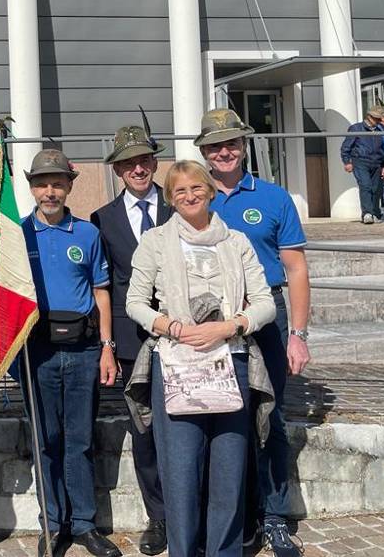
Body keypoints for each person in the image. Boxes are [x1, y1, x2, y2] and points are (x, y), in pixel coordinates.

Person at [124, 160, 276, 557]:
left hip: (231, 361)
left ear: (210, 191)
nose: (189, 196)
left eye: (196, 189)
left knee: (228, 473)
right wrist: (172, 327)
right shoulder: (155, 242)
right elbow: (135, 302)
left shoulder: (237, 242)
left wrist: (229, 327)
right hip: (176, 364)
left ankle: (223, 551)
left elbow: (265, 303)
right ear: (170, 199)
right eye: (179, 191)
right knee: (181, 474)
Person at [195, 108, 310, 557]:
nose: (224, 152)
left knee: (271, 419)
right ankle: (235, 517)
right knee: (220, 420)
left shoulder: (274, 197)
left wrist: (297, 333)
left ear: (243, 147)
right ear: (203, 152)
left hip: (266, 319)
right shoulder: (191, 197)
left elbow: (296, 269)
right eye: (214, 146)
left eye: (231, 144)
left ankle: (275, 516)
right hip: (211, 323)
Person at [15, 148, 121, 557]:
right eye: (42, 183)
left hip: (82, 350)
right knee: (47, 439)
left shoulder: (87, 234)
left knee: (78, 439)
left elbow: (101, 292)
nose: (50, 191)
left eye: (57, 183)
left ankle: (84, 524)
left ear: (69, 186)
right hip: (37, 351)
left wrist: (107, 348)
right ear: (31, 188)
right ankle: (52, 523)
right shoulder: (18, 236)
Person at [90, 125, 170, 556]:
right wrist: (107, 344)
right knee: (144, 429)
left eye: (145, 160)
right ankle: (158, 516)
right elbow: (104, 285)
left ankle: (190, 509)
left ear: (154, 163)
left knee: (188, 423)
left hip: (184, 332)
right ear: (118, 169)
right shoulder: (103, 219)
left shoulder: (181, 205)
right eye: (129, 163)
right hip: (131, 337)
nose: (138, 168)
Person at [341, 106, 384, 223]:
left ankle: (374, 212)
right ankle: (367, 213)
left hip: (377, 162)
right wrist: (347, 162)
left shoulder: (380, 129)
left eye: (379, 119)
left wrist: (383, 165)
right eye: (375, 118)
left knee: (376, 188)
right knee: (366, 185)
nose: (377, 121)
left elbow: (382, 149)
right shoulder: (356, 128)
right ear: (369, 117)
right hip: (361, 161)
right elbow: (346, 147)